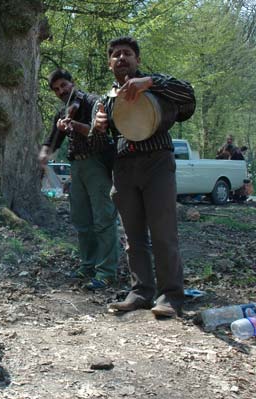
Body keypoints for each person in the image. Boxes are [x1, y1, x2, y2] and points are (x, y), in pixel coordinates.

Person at [92, 36, 196, 317]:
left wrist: (150, 82)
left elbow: (188, 97)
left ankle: (171, 295)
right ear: (110, 63)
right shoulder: (105, 100)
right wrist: (98, 129)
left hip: (157, 163)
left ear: (137, 59)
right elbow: (98, 148)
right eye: (115, 55)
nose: (121, 58)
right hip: (124, 167)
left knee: (163, 232)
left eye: (127, 53)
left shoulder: (157, 85)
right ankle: (140, 292)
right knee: (133, 237)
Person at [38, 69, 118, 290]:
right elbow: (51, 140)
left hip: (98, 163)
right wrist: (44, 153)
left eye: (64, 85)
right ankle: (88, 264)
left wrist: (72, 125)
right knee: (82, 220)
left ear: (73, 83)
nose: (61, 91)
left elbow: (99, 131)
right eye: (56, 89)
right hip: (77, 166)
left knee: (103, 218)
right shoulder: (63, 112)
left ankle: (106, 271)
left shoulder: (93, 102)